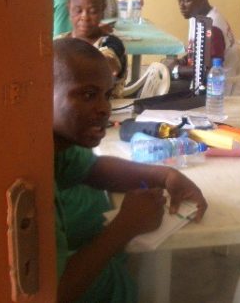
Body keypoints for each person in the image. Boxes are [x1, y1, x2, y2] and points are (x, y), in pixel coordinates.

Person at [53, 38, 208, 303]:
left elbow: (93, 168)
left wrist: (165, 175)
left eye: (107, 95)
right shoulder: (27, 180)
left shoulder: (56, 145)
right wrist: (124, 227)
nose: (105, 108)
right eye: (88, 95)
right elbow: (54, 293)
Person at [56, 0, 128, 98]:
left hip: (105, 108)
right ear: (69, 9)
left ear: (102, 9)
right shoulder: (59, 42)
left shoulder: (110, 42)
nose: (85, 17)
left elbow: (110, 64)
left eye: (93, 11)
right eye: (78, 10)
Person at [167, 0, 237, 88]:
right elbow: (196, 50)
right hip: (200, 76)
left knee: (162, 87)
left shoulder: (212, 28)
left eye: (186, 1)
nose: (181, 6)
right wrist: (181, 62)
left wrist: (177, 70)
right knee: (159, 77)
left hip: (214, 86)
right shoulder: (195, 17)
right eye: (179, 0)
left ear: (202, 0)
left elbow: (210, 71)